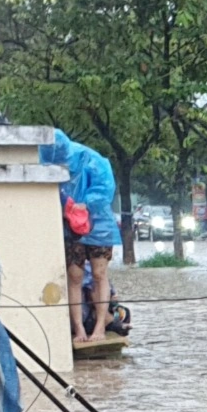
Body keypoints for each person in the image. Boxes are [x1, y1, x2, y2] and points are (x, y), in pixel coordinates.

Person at [42, 130, 123, 348]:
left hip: (99, 224)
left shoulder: (92, 160)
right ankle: (78, 328)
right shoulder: (46, 159)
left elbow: (105, 188)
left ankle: (99, 327)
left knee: (99, 273)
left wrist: (85, 204)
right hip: (70, 226)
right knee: (75, 276)